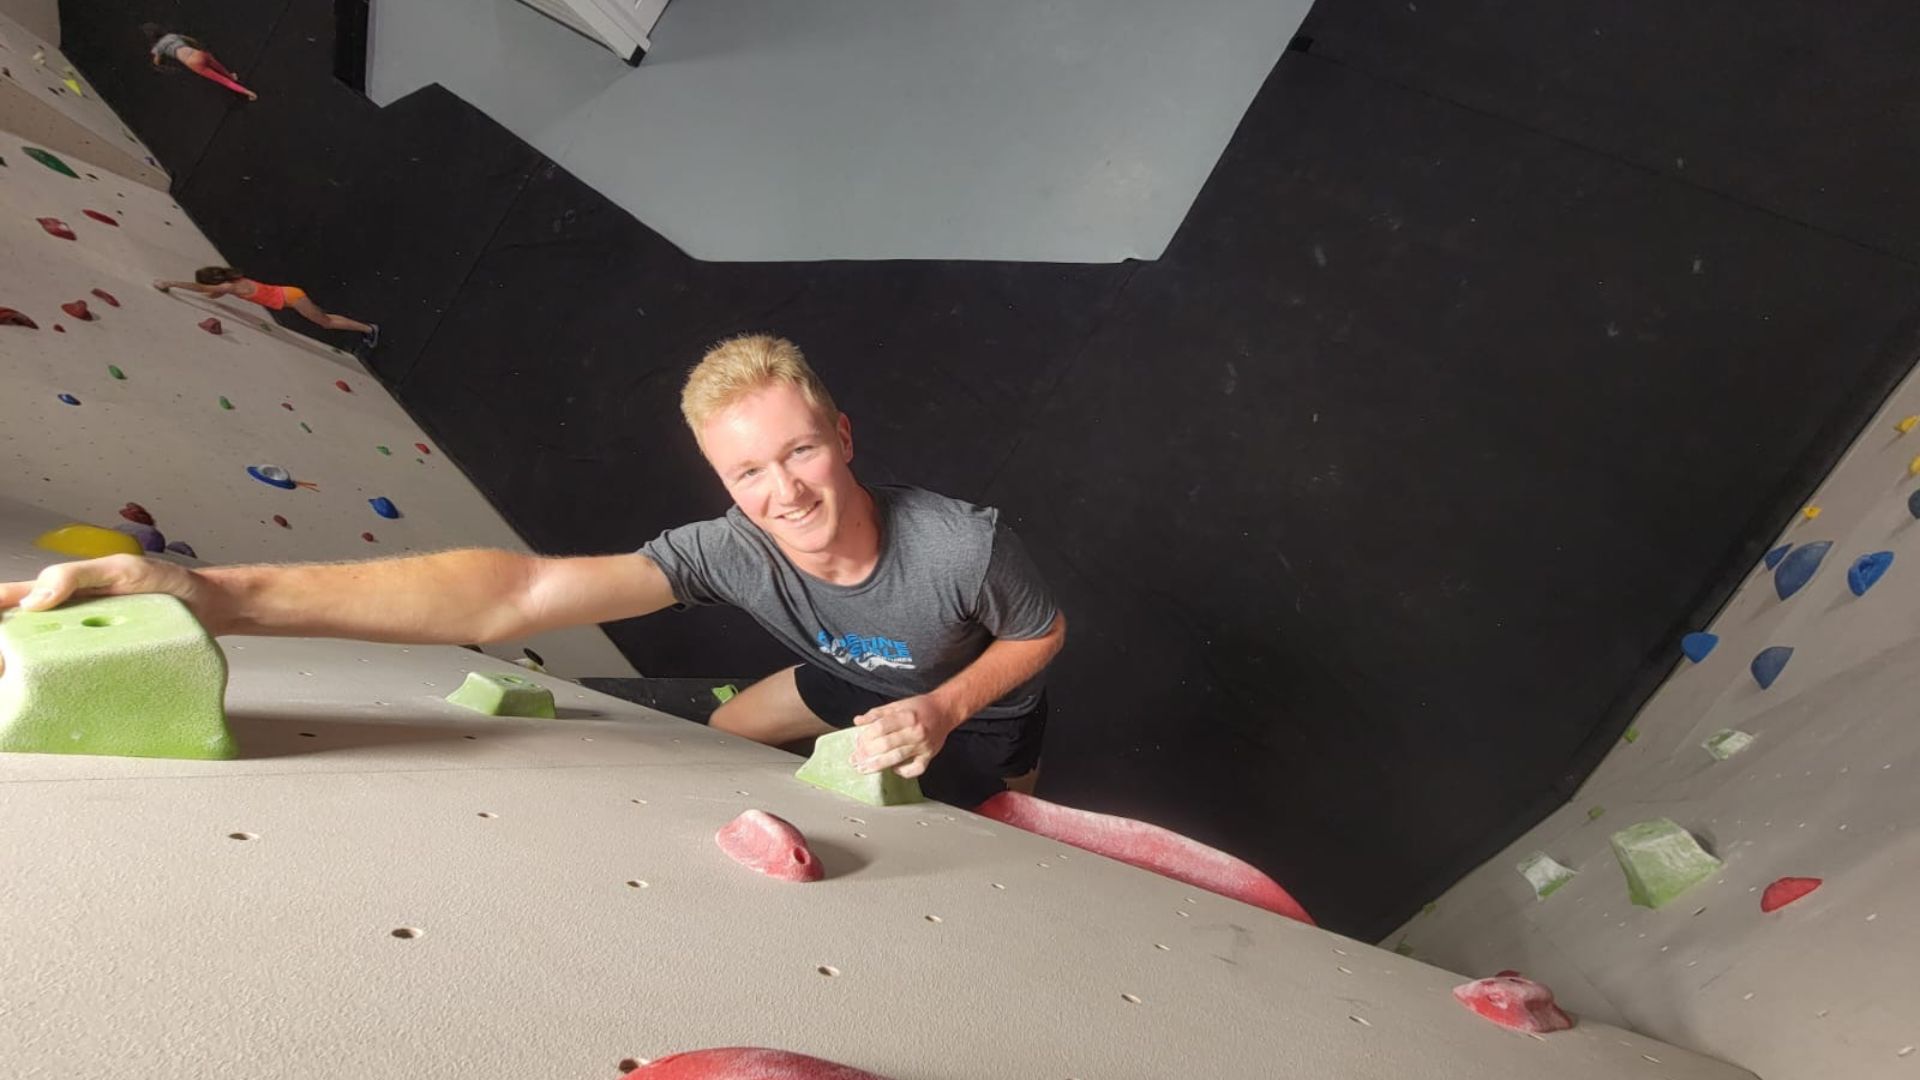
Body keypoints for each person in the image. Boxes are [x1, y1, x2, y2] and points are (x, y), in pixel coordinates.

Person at [0, 335, 1065, 807]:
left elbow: (1041, 633)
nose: (784, 491)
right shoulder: (729, 551)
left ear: (843, 436)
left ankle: (1016, 785)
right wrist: (217, 597)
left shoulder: (960, 545)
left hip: (971, 704)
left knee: (998, 802)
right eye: (748, 472)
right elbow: (516, 593)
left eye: (800, 452)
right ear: (722, 481)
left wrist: (942, 709)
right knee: (720, 746)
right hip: (845, 671)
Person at [154, 268, 379, 354]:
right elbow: (213, 292)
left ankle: (369, 329)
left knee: (326, 323)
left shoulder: (229, 286)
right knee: (325, 318)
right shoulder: (234, 281)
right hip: (290, 295)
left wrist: (171, 283)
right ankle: (366, 329)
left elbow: (202, 289)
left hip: (292, 298)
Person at [143, 26, 257, 101]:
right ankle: (231, 76)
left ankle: (248, 93)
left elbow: (156, 62)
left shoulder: (157, 48)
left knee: (221, 80)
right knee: (219, 67)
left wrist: (160, 56)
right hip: (198, 53)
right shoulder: (171, 35)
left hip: (192, 62)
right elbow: (192, 40)